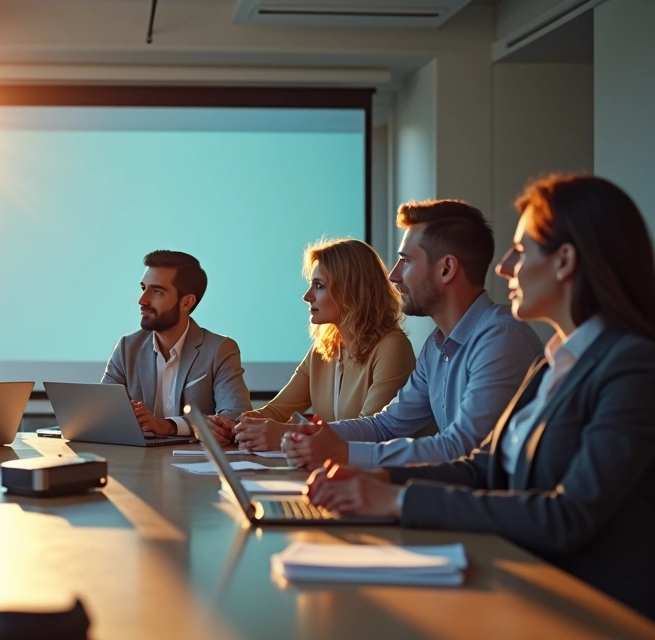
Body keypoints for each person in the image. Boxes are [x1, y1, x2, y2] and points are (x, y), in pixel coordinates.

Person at [306, 174, 655, 620]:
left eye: (522, 250)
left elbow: (569, 515)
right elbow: (485, 466)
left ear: (566, 260)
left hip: (588, 611)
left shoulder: (632, 366)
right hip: (524, 581)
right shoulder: (551, 363)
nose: (505, 266)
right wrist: (383, 481)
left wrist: (398, 500)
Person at [236, 200, 542, 468]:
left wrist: (337, 451)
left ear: (446, 269)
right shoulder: (436, 348)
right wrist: (311, 437)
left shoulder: (501, 339)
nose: (393, 275)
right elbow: (387, 424)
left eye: (406, 261)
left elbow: (460, 448)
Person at [208, 238, 415, 445]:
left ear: (352, 291)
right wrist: (234, 425)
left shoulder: (392, 347)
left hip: (381, 474)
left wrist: (284, 433)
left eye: (319, 286)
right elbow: (275, 411)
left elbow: (372, 431)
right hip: (335, 469)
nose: (307, 296)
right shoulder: (323, 349)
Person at [102, 250, 251, 437]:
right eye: (143, 289)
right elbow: (102, 412)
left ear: (187, 302)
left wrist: (170, 426)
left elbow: (235, 414)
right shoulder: (127, 347)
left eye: (156, 291)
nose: (142, 300)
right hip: (137, 460)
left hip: (197, 462)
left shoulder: (219, 349)